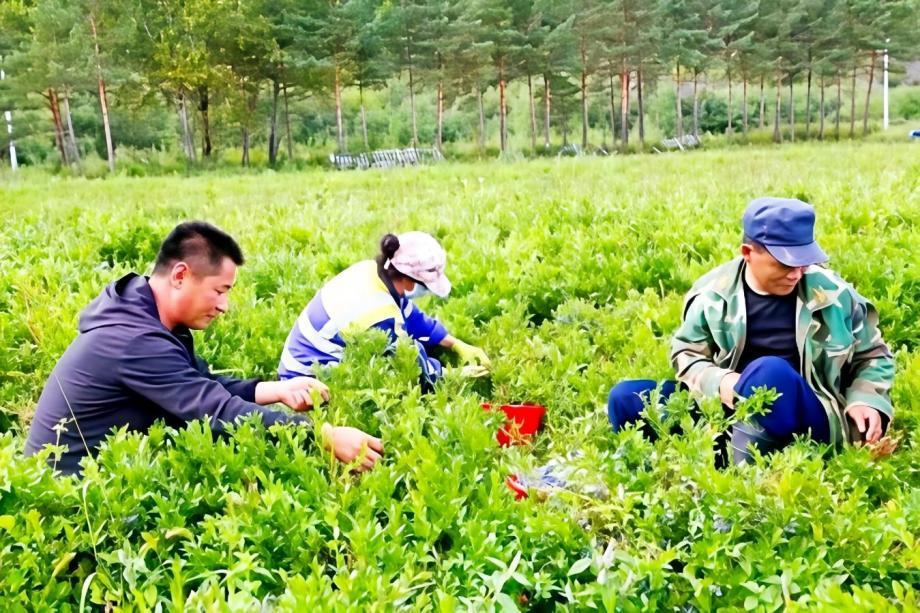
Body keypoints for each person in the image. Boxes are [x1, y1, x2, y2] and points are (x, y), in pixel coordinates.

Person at [25, 221, 383, 475]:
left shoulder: (148, 317)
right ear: (180, 275)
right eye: (219, 291)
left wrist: (276, 390)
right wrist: (323, 436)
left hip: (104, 474)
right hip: (70, 495)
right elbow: (215, 410)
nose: (224, 306)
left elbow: (201, 384)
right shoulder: (134, 340)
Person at [607, 197, 894, 463]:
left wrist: (866, 399)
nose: (796, 273)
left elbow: (874, 355)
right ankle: (724, 451)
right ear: (748, 253)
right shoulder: (712, 294)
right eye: (786, 263)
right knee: (626, 398)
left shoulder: (833, 294)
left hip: (807, 417)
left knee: (769, 373)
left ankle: (740, 476)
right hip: (728, 407)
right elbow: (686, 355)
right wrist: (722, 382)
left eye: (804, 262)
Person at [278, 231, 490, 388]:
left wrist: (454, 343)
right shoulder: (379, 312)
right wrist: (454, 374)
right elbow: (410, 362)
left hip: (297, 360)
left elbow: (412, 317)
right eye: (425, 287)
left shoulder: (373, 270)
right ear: (409, 281)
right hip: (304, 381)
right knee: (395, 380)